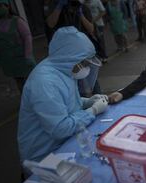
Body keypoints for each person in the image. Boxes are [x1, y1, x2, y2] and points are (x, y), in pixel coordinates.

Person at [18, 27, 108, 162]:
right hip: (44, 156)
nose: (85, 67)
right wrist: (93, 110)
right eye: (83, 62)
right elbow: (60, 129)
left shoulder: (64, 69)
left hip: (64, 143)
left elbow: (67, 102)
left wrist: (87, 101)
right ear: (69, 57)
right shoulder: (44, 83)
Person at [44, 0, 103, 97]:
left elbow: (91, 29)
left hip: (83, 51)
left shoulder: (83, 8)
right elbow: (50, 24)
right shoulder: (56, 7)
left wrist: (81, 15)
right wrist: (59, 8)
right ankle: (79, 102)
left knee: (89, 77)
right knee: (72, 80)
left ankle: (99, 98)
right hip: (65, 53)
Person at [0, 0, 36, 93]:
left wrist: (28, 55)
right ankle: (26, 101)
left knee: (31, 81)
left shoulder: (17, 21)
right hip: (9, 60)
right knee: (19, 81)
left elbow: (27, 37)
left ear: (7, 6)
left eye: (0, 5)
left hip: (22, 58)